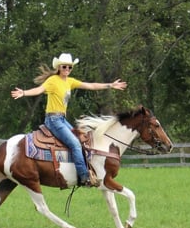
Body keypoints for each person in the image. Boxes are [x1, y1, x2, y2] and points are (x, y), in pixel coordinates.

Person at [11, 52, 127, 187]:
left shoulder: (70, 82)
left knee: (82, 140)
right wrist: (24, 93)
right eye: (64, 67)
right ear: (59, 67)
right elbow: (39, 90)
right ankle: (84, 177)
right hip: (53, 120)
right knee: (75, 144)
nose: (67, 69)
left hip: (62, 119)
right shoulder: (53, 81)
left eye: (69, 67)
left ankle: (78, 170)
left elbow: (90, 86)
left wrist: (111, 85)